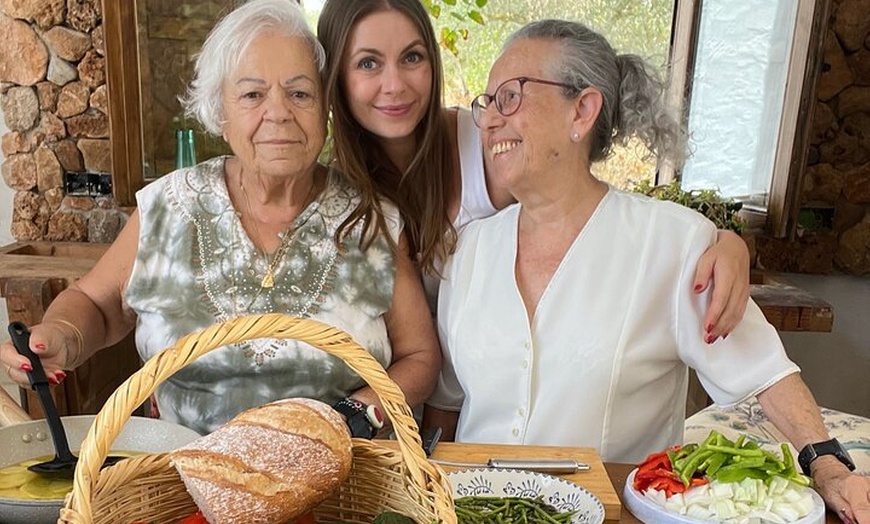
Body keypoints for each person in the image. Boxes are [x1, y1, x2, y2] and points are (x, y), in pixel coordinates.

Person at [423, 19, 870, 521]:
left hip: (613, 513)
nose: (487, 121)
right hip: (475, 510)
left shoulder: (673, 244)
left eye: (509, 97)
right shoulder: (469, 252)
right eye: (486, 104)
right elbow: (448, 403)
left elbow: (766, 374)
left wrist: (829, 467)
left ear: (582, 110)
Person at [0, 0, 440, 436]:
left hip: (344, 480)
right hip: (182, 481)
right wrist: (64, 334)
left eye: (300, 92)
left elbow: (419, 355)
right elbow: (97, 303)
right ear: (219, 111)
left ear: (325, 106)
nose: (279, 111)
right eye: (252, 94)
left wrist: (358, 413)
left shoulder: (372, 218)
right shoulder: (169, 205)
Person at [316, 0, 749, 343]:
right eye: (368, 63)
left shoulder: (486, 139)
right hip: (405, 404)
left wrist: (723, 243)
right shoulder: (333, 191)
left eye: (412, 57)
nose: (395, 84)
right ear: (335, 76)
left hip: (511, 393)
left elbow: (583, 207)